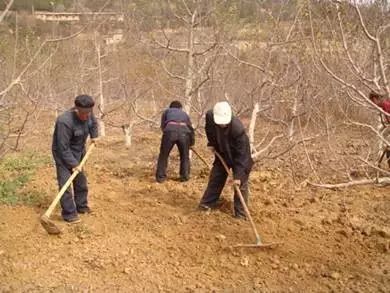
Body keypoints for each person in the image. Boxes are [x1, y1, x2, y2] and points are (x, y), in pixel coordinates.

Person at [199, 101, 253, 219]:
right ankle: (206, 204)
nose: (223, 125)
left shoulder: (238, 130)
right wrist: (212, 143)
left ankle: (241, 214)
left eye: (225, 123)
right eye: (220, 123)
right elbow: (209, 130)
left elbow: (242, 156)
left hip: (240, 157)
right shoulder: (210, 117)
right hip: (223, 152)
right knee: (216, 177)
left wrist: (238, 176)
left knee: (240, 185)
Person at [52, 95, 98, 223]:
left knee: (81, 181)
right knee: (65, 184)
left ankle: (81, 206)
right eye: (83, 113)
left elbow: (94, 124)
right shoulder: (64, 121)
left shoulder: (89, 112)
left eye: (88, 113)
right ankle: (69, 214)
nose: (86, 116)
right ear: (76, 109)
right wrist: (73, 164)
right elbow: (63, 148)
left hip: (79, 150)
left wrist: (94, 136)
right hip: (63, 154)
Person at [156, 100, 195, 183]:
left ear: (170, 107)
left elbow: (163, 126)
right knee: (185, 156)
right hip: (184, 133)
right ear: (180, 108)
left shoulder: (166, 112)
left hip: (170, 131)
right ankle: (184, 177)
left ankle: (160, 177)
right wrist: (191, 143)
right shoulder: (185, 114)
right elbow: (191, 129)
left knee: (163, 155)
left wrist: (167, 134)